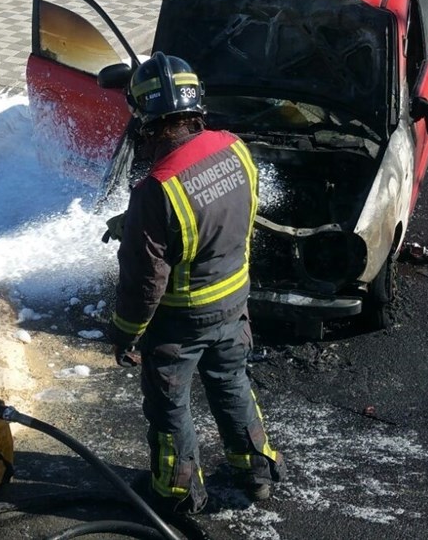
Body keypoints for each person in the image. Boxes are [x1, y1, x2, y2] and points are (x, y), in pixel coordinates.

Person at [103, 53, 282, 514]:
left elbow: (145, 283)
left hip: (179, 324)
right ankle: (255, 471)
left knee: (170, 408)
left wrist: (125, 333)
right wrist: (137, 221)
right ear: (194, 105)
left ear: (146, 119)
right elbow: (217, 214)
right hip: (234, 303)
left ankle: (176, 493)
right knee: (231, 384)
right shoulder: (235, 148)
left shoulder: (156, 190)